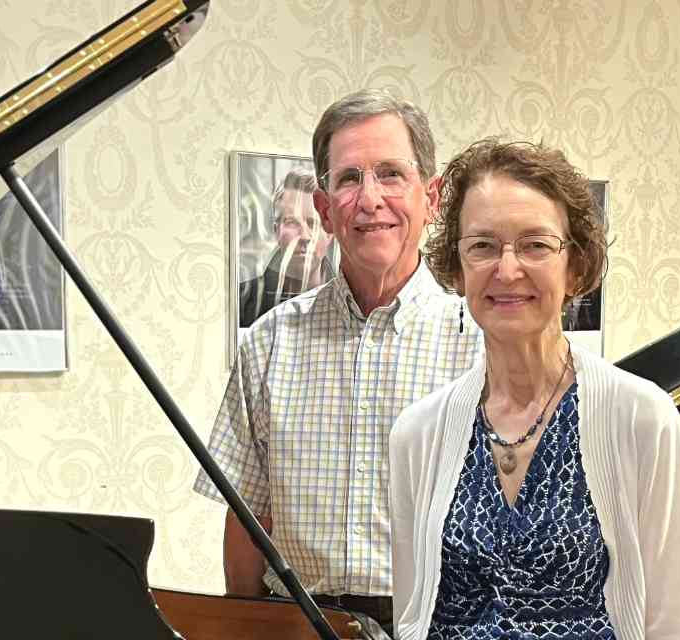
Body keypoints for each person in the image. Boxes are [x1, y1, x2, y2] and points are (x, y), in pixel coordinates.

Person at [194, 89, 483, 636]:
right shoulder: (269, 343)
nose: (370, 199)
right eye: (349, 179)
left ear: (433, 196)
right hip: (298, 623)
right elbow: (248, 515)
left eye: (391, 174)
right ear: (325, 210)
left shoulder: (481, 346)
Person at [390, 139, 680, 639]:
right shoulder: (417, 434)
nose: (507, 270)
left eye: (535, 245)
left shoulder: (642, 416)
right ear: (457, 266)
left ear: (575, 266)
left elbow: (671, 621)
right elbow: (412, 616)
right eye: (483, 246)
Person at [239, 168, 334, 327]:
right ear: (277, 231)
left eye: (313, 223)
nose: (305, 236)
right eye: (292, 222)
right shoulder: (241, 302)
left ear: (330, 232)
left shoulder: (354, 304)